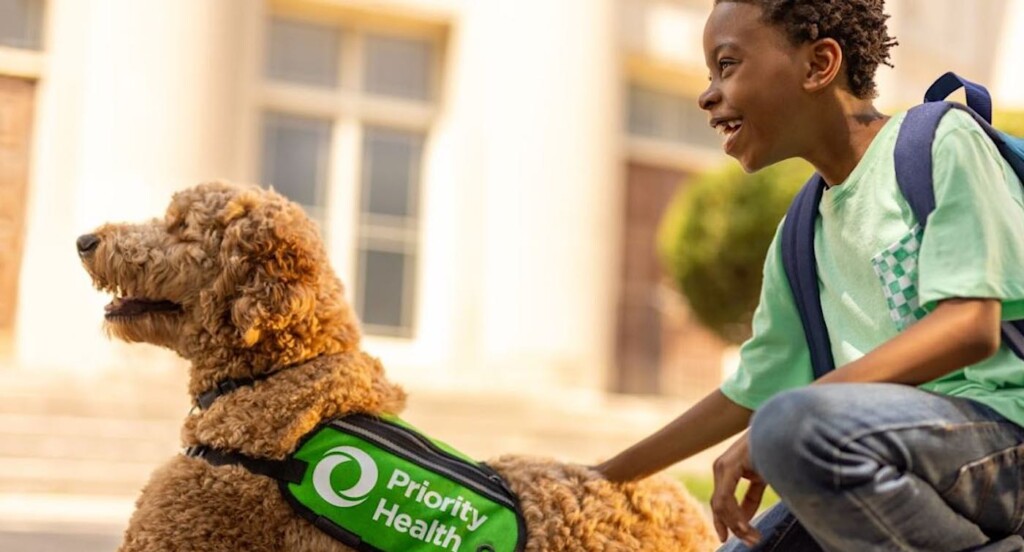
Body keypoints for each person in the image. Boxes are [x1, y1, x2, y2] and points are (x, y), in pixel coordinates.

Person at [595, 1, 1024, 550]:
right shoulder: (801, 233)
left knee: (791, 424)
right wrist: (601, 477)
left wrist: (785, 425)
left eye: (726, 65)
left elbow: (969, 325)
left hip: (1002, 442)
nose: (706, 94)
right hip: (896, 460)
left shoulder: (938, 142)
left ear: (819, 65)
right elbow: (747, 394)